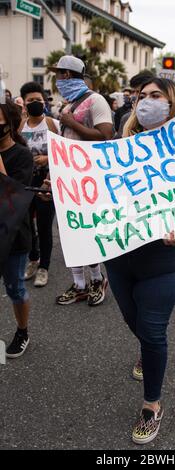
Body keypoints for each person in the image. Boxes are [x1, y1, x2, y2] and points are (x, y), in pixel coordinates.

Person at [105, 77, 175, 444]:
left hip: (165, 260)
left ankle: (152, 404)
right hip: (121, 257)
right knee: (133, 321)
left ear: (173, 104)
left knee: (152, 329)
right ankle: (148, 353)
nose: (146, 102)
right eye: (141, 97)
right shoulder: (119, 149)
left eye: (156, 96)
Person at [48, 55, 113, 306]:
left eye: (59, 74)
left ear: (66, 75)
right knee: (69, 231)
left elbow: (105, 137)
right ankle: (79, 284)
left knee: (88, 230)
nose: (57, 79)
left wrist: (71, 122)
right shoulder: (67, 104)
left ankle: (97, 279)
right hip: (67, 178)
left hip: (89, 180)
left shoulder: (96, 100)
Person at [0, 99, 33, 357]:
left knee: (15, 288)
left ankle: (22, 331)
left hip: (13, 235)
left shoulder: (22, 155)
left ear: (10, 125)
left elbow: (11, 194)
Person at [20, 81, 59, 287]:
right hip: (25, 181)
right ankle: (33, 259)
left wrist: (47, 159)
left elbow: (64, 154)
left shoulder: (53, 124)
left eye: (38, 100)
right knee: (27, 224)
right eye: (30, 100)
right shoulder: (20, 125)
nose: (35, 103)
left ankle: (44, 267)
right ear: (24, 104)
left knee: (44, 225)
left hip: (47, 180)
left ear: (44, 102)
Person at [115, 71, 154, 138]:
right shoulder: (126, 118)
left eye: (138, 92)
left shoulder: (162, 119)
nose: (134, 96)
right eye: (133, 92)